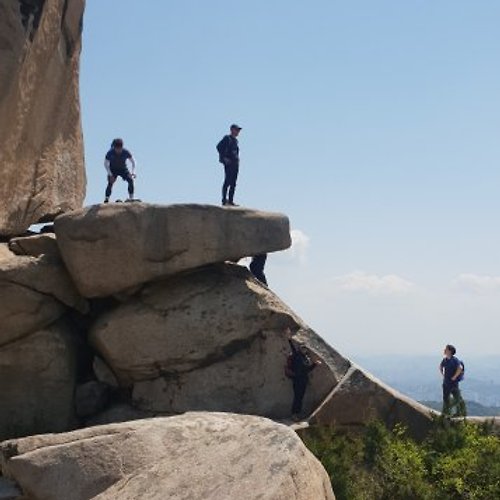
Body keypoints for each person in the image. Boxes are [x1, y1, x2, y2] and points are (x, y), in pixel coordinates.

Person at [285, 328, 322, 420]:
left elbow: (307, 369)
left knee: (300, 398)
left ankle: (297, 414)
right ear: (299, 349)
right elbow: (292, 347)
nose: (304, 349)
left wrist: (315, 364)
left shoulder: (306, 358)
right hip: (297, 380)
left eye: (305, 348)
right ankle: (294, 414)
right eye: (302, 348)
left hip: (304, 380)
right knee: (297, 397)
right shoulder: (297, 355)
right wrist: (289, 338)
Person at [104, 138, 137, 203]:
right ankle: (106, 198)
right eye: (117, 149)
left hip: (123, 169)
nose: (118, 151)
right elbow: (105, 164)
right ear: (114, 147)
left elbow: (133, 162)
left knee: (130, 180)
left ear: (122, 147)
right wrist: (110, 174)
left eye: (120, 149)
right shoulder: (110, 152)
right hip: (113, 169)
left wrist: (133, 172)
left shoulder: (125, 152)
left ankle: (131, 197)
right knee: (110, 182)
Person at [216, 124, 241, 206]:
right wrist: (224, 158)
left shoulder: (235, 141)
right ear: (232, 130)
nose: (238, 132)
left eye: (238, 130)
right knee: (227, 181)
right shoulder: (227, 138)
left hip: (235, 163)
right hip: (229, 163)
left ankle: (230, 201)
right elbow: (218, 146)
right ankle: (224, 200)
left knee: (233, 183)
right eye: (236, 130)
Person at [439, 344, 466, 417]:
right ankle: (446, 413)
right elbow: (440, 366)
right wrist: (443, 374)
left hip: (453, 383)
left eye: (446, 349)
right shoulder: (445, 360)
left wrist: (454, 377)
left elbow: (460, 368)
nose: (444, 350)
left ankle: (457, 413)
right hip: (446, 382)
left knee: (456, 398)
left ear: (450, 351)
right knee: (446, 399)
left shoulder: (454, 360)